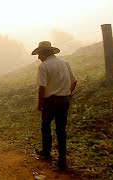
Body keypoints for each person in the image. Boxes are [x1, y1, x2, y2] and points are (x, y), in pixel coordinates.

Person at [31, 41, 77, 170]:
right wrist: (69, 94)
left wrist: (40, 104)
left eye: (39, 54)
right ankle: (62, 161)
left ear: (44, 53)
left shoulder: (44, 66)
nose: (38, 57)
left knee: (45, 126)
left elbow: (42, 87)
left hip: (50, 102)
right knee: (61, 130)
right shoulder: (64, 63)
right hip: (64, 101)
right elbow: (74, 81)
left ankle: (46, 153)